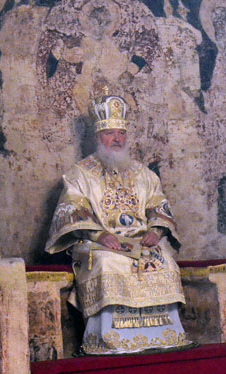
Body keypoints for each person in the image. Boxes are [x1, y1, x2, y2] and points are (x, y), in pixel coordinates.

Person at [45, 87, 190, 355]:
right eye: (111, 133)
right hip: (98, 244)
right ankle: (108, 339)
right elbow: (72, 209)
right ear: (98, 137)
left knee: (164, 260)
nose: (117, 139)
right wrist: (100, 235)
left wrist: (156, 230)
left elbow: (158, 205)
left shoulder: (143, 173)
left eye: (121, 133)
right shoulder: (80, 174)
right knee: (108, 263)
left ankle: (165, 335)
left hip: (140, 242)